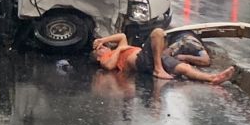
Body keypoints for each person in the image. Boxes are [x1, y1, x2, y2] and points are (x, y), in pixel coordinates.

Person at [91, 29, 236, 84]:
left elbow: (122, 36)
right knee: (158, 33)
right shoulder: (105, 58)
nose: (103, 48)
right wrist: (120, 48)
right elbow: (109, 66)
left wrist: (104, 40)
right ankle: (158, 69)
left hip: (152, 58)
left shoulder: (115, 48)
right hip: (141, 61)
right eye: (100, 49)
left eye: (103, 47)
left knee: (184, 68)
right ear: (98, 57)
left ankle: (213, 78)